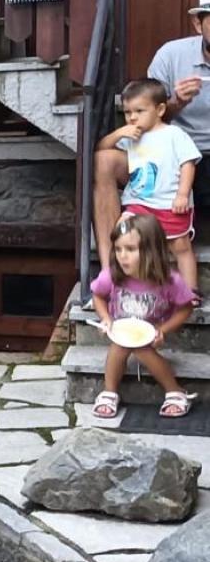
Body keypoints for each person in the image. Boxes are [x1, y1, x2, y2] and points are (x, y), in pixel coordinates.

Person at [89, 213, 198, 419]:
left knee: (141, 347)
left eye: (130, 249)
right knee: (120, 345)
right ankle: (110, 391)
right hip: (121, 328)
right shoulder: (112, 274)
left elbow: (186, 307)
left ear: (151, 251)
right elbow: (98, 295)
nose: (122, 256)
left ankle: (174, 391)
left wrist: (162, 330)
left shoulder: (170, 281)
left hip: (152, 328)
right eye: (118, 249)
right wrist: (106, 319)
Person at [97, 78, 200, 291]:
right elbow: (100, 150)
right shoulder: (132, 136)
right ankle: (125, 284)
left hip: (169, 202)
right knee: (123, 231)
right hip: (139, 203)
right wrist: (118, 133)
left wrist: (183, 194)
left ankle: (191, 291)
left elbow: (188, 164)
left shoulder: (173, 134)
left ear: (160, 109)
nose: (132, 117)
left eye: (139, 111)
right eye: (127, 112)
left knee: (180, 247)